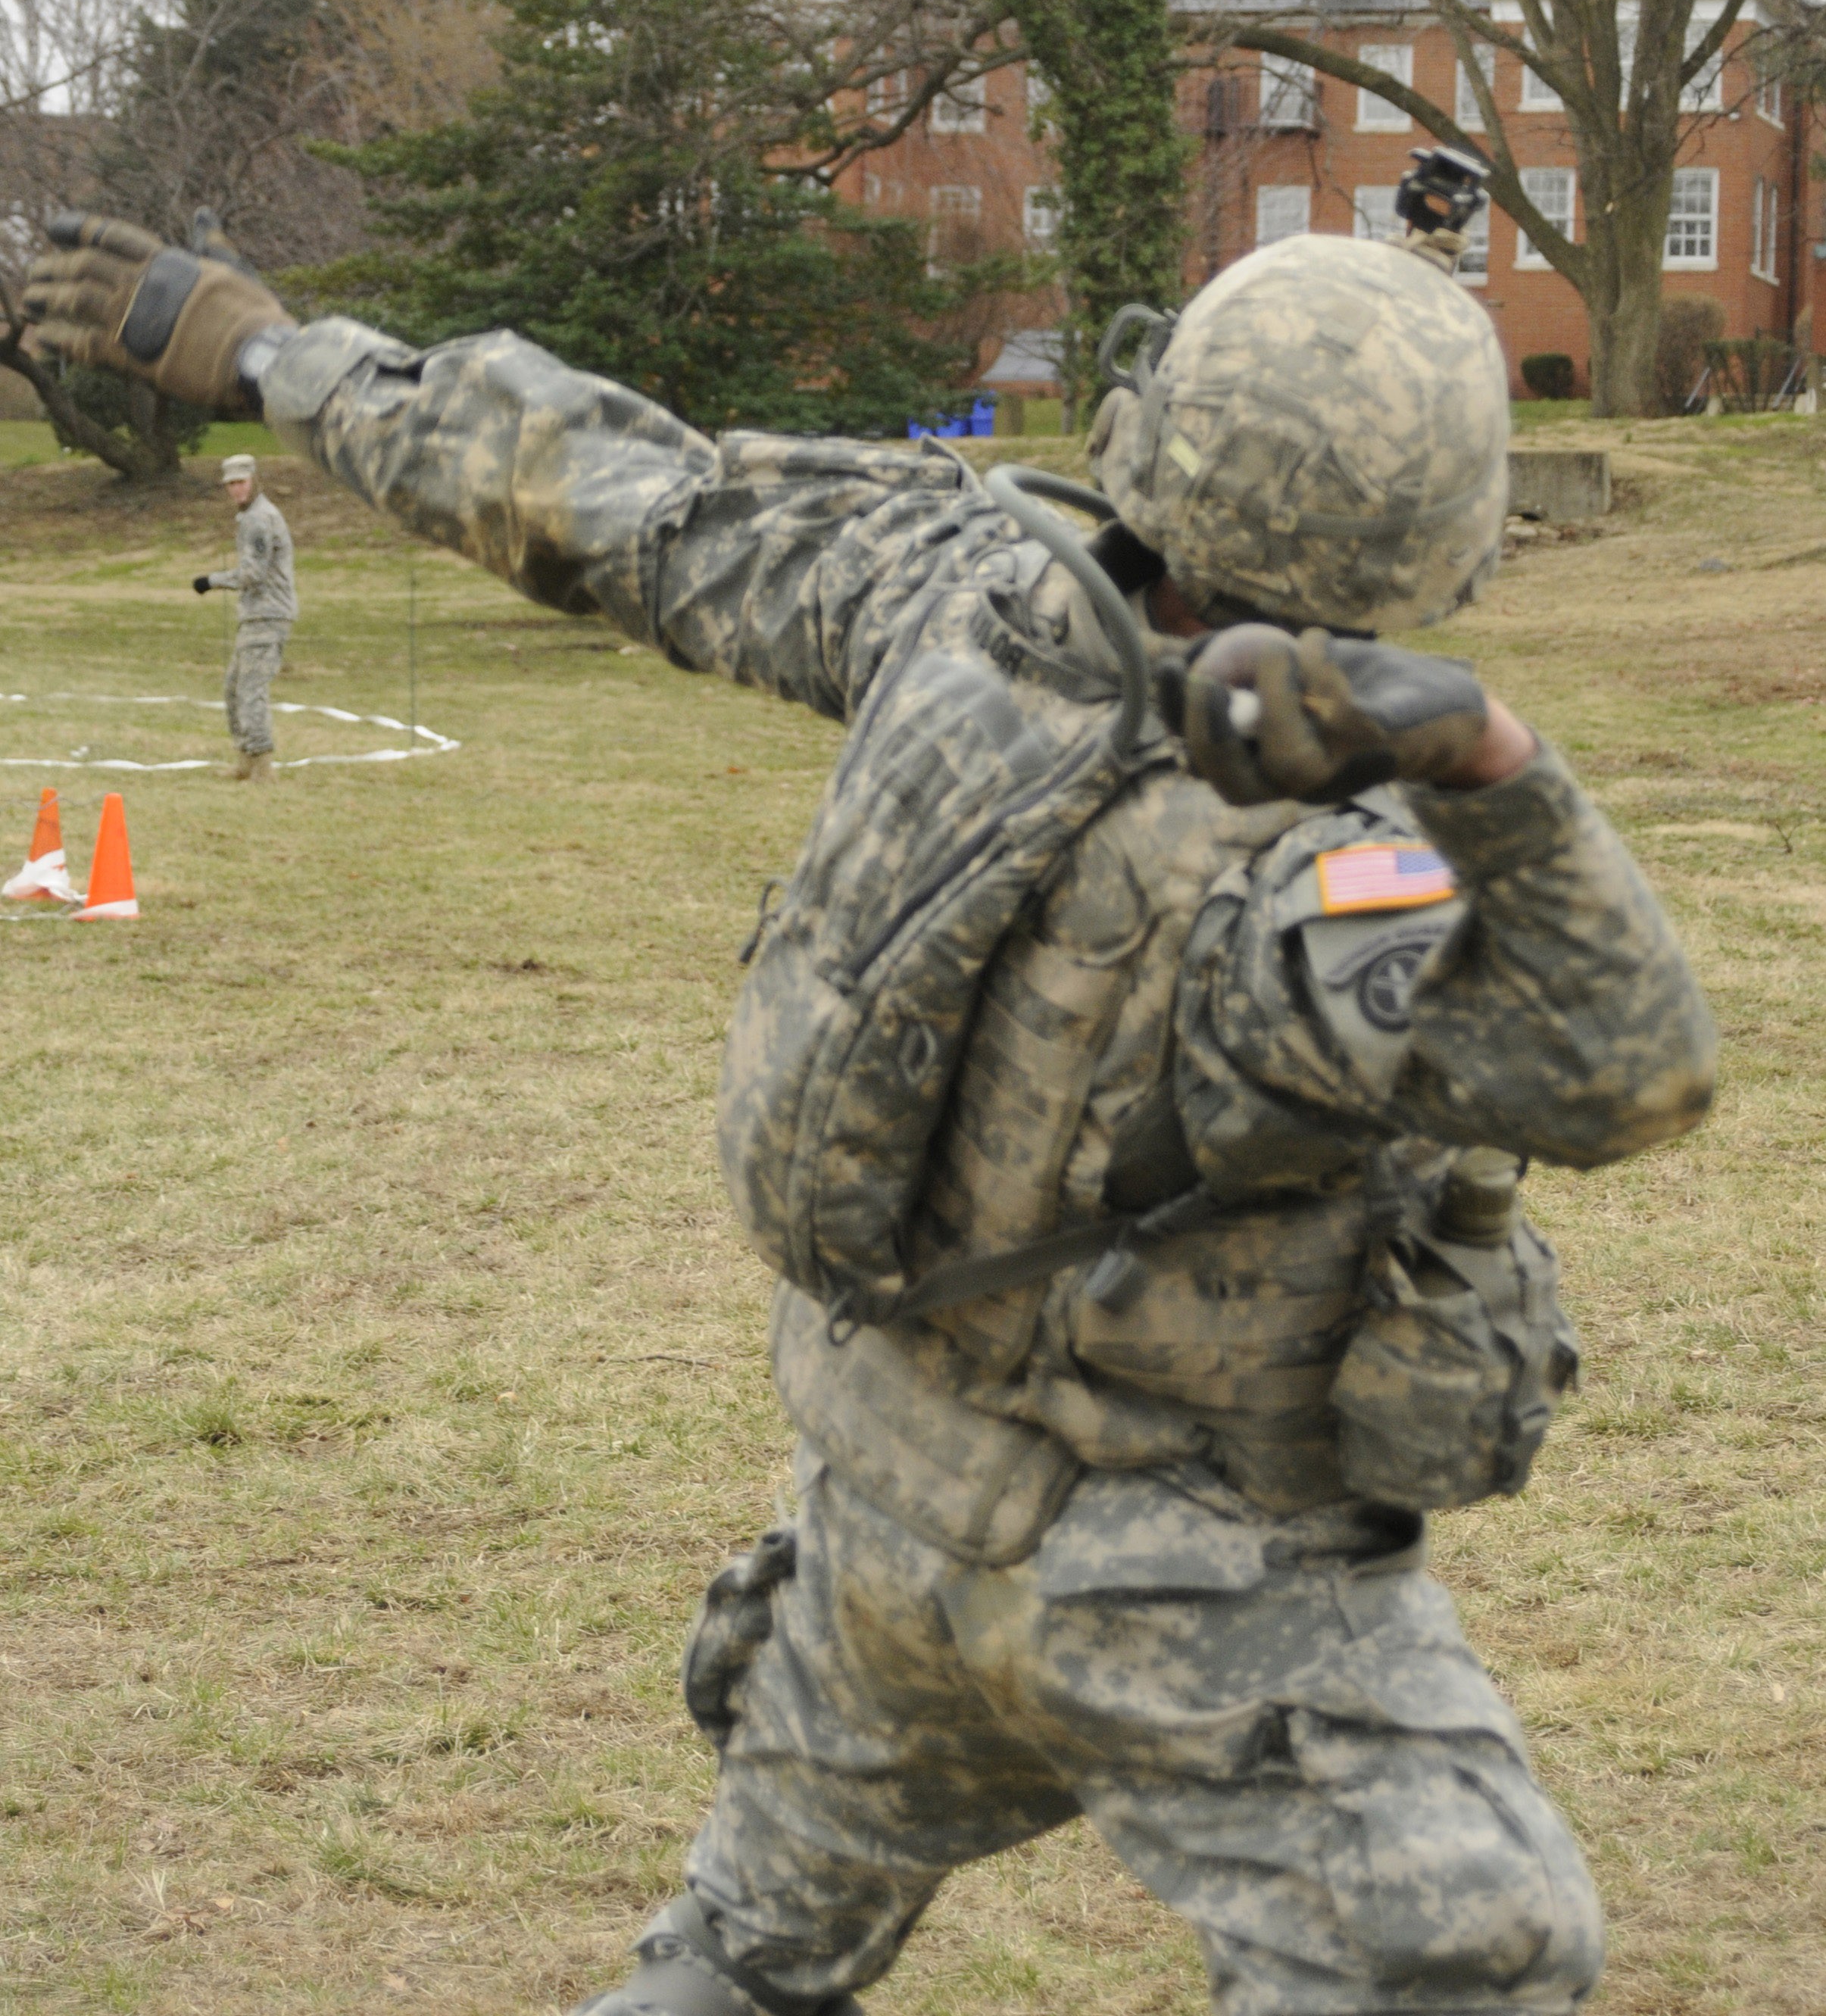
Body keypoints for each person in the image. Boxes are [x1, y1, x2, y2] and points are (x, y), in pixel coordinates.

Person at [23, 203, 1714, 2016]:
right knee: (1470, 1952)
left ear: (1158, 424)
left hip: (882, 1531)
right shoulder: (1339, 879)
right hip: (1181, 1594)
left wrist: (268, 347)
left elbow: (614, 486)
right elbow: (1626, 1066)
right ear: (1441, 538)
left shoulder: (948, 593)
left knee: (736, 1969)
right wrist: (1485, 766)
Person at [192, 451, 296, 782]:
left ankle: (263, 766)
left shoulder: (258, 519)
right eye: (231, 484)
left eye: (241, 482)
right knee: (234, 687)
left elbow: (254, 574)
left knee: (250, 690)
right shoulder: (251, 516)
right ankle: (245, 759)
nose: (236, 490)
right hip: (256, 615)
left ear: (254, 482)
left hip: (268, 614)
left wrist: (211, 581)